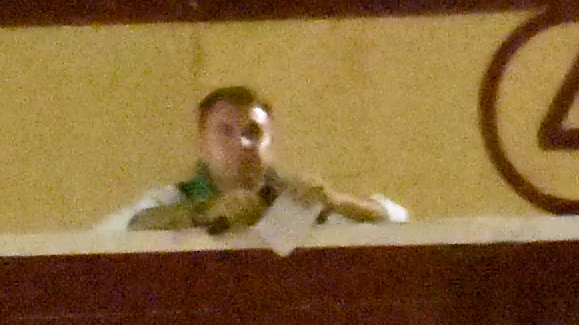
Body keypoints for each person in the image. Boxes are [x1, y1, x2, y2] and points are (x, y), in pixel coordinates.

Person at [110, 87, 409, 235]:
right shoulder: (173, 199)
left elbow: (399, 223)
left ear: (271, 141)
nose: (241, 143)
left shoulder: (296, 202)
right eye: (225, 132)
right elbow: (123, 231)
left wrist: (335, 201)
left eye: (252, 131)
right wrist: (204, 212)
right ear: (202, 144)